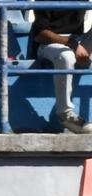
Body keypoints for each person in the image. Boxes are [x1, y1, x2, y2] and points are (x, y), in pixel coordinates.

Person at [31, 1, 92, 133]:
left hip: (77, 41)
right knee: (66, 56)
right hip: (50, 44)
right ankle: (66, 115)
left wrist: (83, 47)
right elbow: (40, 35)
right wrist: (73, 45)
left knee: (70, 53)